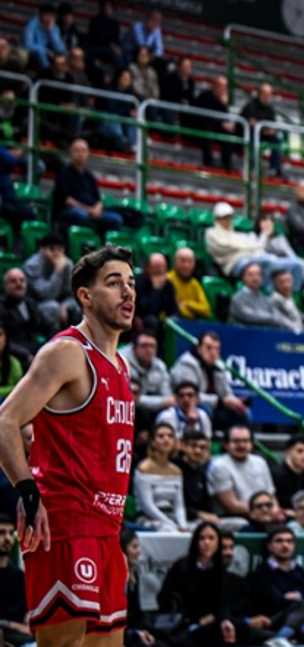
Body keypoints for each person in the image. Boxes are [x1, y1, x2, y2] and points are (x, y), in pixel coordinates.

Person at [0, 246, 137, 640]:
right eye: (114, 284)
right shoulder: (67, 353)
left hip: (106, 530)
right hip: (64, 525)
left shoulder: (121, 364)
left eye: (131, 284)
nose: (127, 292)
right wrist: (26, 489)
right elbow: (6, 421)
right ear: (86, 296)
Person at [157, 522, 243, 646]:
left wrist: (223, 619)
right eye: (202, 538)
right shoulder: (182, 567)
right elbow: (165, 599)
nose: (206, 542)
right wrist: (195, 620)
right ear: (195, 541)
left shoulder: (220, 569)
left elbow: (224, 602)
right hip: (183, 624)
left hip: (212, 624)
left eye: (211, 538)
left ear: (218, 542)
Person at [205, 201, 304, 288]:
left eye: (229, 217)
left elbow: (255, 247)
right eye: (224, 218)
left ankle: (291, 298)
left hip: (255, 258)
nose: (227, 221)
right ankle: (267, 294)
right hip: (235, 264)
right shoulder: (211, 233)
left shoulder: (237, 235)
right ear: (217, 219)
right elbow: (226, 248)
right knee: (267, 261)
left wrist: (248, 249)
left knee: (297, 264)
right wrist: (249, 249)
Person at [169, 330, 248, 433]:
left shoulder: (219, 366)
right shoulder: (187, 365)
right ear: (199, 349)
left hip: (215, 406)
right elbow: (190, 397)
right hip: (187, 408)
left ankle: (234, 443)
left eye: (217, 349)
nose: (213, 353)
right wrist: (221, 402)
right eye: (209, 348)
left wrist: (236, 402)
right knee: (205, 410)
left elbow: (226, 393)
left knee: (243, 413)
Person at [52, 139, 124, 233]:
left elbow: (99, 200)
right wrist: (88, 210)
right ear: (71, 153)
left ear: (88, 154)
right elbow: (67, 201)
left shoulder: (89, 176)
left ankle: (105, 246)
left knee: (115, 219)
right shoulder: (63, 173)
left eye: (83, 151)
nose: (80, 154)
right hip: (69, 211)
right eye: (76, 150)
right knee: (81, 216)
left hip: (91, 212)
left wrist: (97, 210)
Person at [207, 424, 274, 520]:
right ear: (226, 445)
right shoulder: (219, 466)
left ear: (251, 444)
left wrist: (275, 511)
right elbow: (232, 506)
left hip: (262, 512)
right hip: (233, 517)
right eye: (236, 441)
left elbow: (271, 495)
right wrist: (263, 512)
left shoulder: (260, 462)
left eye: (245, 441)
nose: (241, 445)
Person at [134, 423, 189, 532]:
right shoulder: (144, 468)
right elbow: (147, 505)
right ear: (153, 442)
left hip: (170, 515)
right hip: (148, 518)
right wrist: (169, 523)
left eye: (170, 436)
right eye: (161, 436)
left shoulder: (176, 471)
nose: (166, 439)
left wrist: (183, 525)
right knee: (168, 529)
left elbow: (179, 505)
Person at [0, 268, 52, 360]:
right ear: (5, 286)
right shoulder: (1, 307)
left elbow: (49, 325)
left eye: (22, 280)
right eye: (13, 281)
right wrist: (25, 355)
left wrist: (54, 344)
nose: (19, 284)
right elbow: (3, 340)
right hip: (14, 356)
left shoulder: (30, 304)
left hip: (36, 351)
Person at [229, 263, 293, 331]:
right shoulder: (238, 298)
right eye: (251, 275)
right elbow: (249, 317)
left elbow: (278, 317)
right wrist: (270, 318)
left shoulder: (266, 299)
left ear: (262, 278)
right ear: (243, 278)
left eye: (258, 275)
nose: (255, 278)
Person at [191, 77, 236, 171]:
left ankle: (227, 161)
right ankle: (208, 160)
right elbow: (204, 116)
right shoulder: (205, 96)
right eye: (221, 87)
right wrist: (221, 123)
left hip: (215, 126)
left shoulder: (222, 100)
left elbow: (225, 117)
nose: (223, 90)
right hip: (199, 125)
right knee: (208, 128)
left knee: (228, 132)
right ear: (215, 87)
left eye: (225, 88)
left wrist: (224, 105)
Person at [0, 513, 32, 646]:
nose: (7, 538)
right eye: (1, 533)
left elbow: (29, 622)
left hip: (20, 636)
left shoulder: (20, 577)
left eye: (10, 533)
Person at [241, 83, 285, 178]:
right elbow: (251, 122)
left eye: (269, 94)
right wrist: (263, 130)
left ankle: (275, 168)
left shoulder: (270, 109)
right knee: (253, 135)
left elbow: (272, 124)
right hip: (248, 135)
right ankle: (253, 165)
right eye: (265, 94)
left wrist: (271, 130)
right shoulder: (251, 105)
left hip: (264, 135)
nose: (268, 97)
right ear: (260, 94)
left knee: (276, 140)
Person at [177, 428, 219, 524]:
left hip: (203, 520)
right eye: (193, 446)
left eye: (202, 447)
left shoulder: (202, 471)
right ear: (183, 446)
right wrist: (198, 514)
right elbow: (174, 505)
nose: (198, 451)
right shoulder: (175, 470)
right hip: (182, 520)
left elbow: (206, 503)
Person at [133, 253, 177, 335]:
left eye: (162, 267)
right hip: (140, 321)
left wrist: (172, 319)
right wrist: (155, 290)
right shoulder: (139, 283)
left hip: (160, 322)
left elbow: (174, 309)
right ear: (148, 268)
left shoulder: (168, 285)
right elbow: (147, 310)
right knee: (151, 321)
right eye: (156, 267)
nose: (160, 271)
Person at [167, 247, 211, 321]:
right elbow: (172, 309)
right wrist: (193, 311)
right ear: (174, 262)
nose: (186, 266)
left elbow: (206, 310)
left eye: (190, 262)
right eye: (182, 261)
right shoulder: (167, 281)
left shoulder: (194, 284)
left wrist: (187, 304)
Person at [23, 4, 65, 70]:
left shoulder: (54, 27)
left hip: (50, 54)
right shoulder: (32, 25)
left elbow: (60, 49)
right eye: (47, 14)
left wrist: (51, 32)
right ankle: (47, 72)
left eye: (51, 15)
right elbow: (28, 45)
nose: (49, 17)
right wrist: (45, 51)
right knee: (41, 52)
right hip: (33, 53)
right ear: (41, 15)